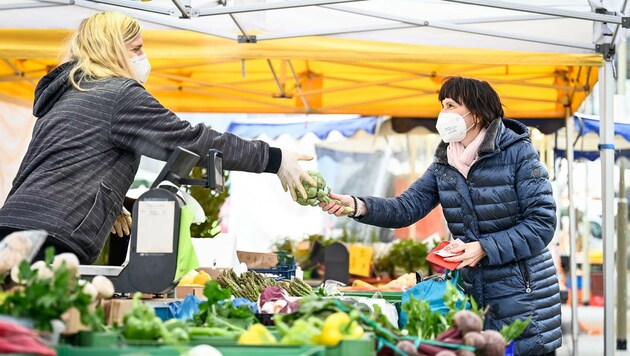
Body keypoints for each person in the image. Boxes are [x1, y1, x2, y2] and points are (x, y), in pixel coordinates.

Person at [0, 11, 315, 265]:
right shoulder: (118, 94)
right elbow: (190, 140)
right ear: (111, 52)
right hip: (52, 240)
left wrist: (107, 202)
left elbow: (60, 164)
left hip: (12, 228)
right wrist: (273, 158)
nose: (143, 57)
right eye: (135, 49)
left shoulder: (69, 95)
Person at [321, 77, 561, 355]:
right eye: (442, 105)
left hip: (523, 295)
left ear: (478, 112)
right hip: (473, 296)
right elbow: (405, 207)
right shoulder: (445, 163)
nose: (443, 113)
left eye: (451, 105)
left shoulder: (519, 153)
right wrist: (357, 205)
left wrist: (484, 247)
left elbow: (542, 223)